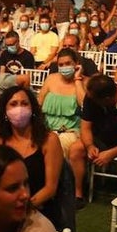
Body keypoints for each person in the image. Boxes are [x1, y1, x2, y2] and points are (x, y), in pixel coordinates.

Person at [0, 86, 66, 231]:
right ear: (4, 111)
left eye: (24, 103)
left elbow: (50, 189)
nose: (19, 108)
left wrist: (22, 209)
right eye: (13, 104)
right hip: (5, 210)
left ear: (33, 109)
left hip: (38, 210)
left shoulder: (49, 140)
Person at [38, 49, 88, 206]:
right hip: (47, 128)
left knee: (58, 143)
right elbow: (38, 104)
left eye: (68, 64)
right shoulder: (51, 79)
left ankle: (68, 191)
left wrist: (78, 79)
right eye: (61, 64)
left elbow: (84, 105)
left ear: (76, 64)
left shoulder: (85, 82)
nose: (64, 67)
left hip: (71, 130)